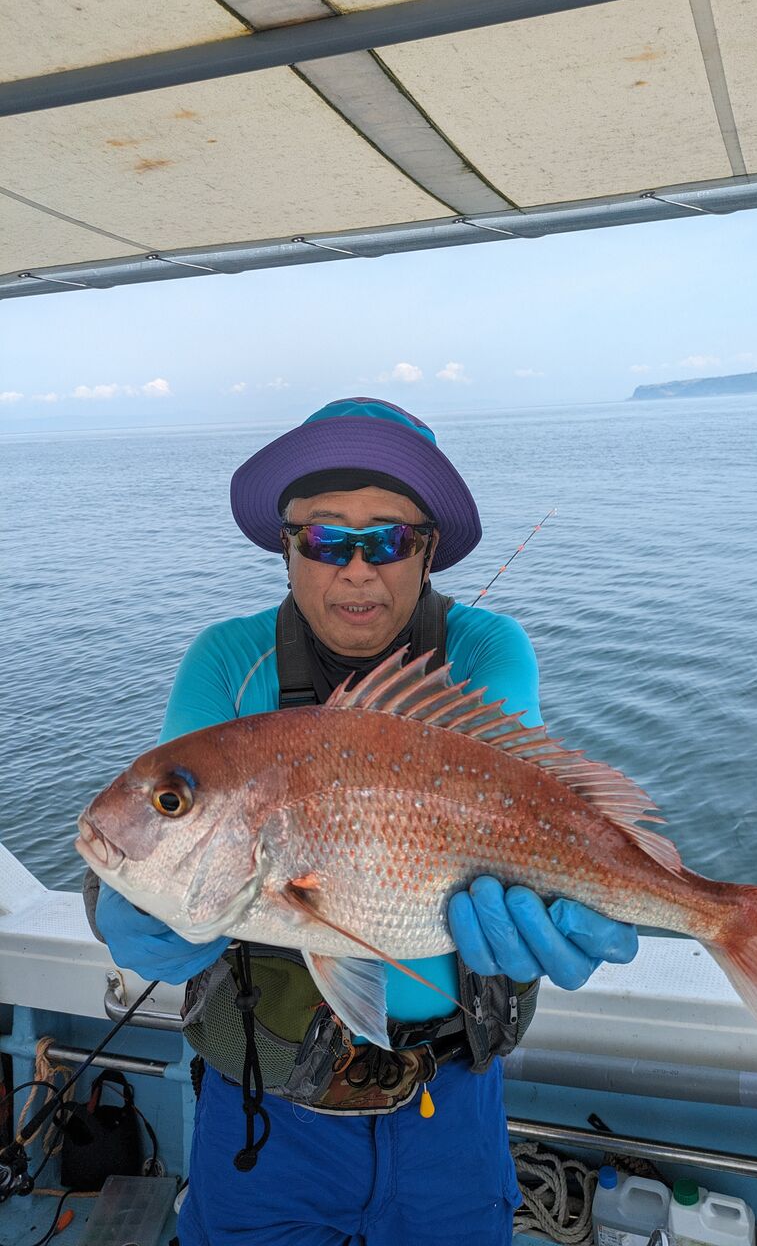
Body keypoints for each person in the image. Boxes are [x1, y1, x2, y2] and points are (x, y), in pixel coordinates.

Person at [87, 398, 638, 1246]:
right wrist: (117, 904)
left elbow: (524, 801)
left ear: (427, 549)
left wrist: (594, 887)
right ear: (286, 547)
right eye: (323, 538)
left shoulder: (487, 649)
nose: (355, 569)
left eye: (387, 540)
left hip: (450, 1100)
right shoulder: (226, 660)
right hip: (263, 1105)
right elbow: (167, 822)